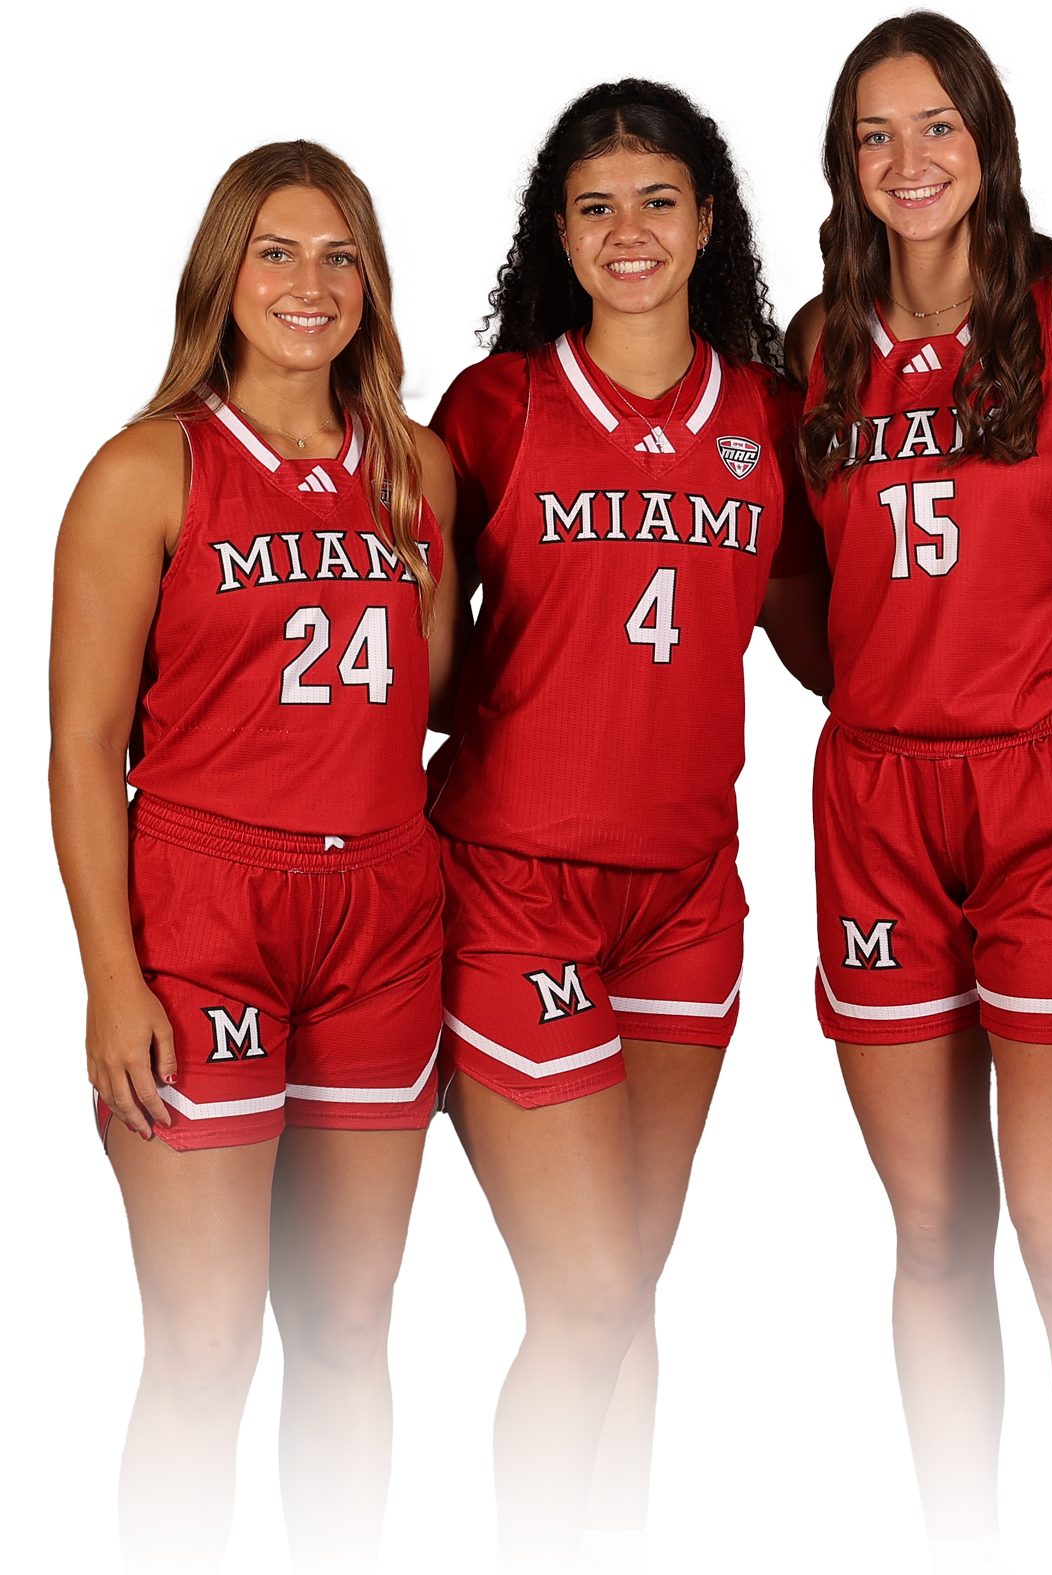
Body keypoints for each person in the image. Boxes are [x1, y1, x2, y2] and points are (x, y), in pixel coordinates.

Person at [428, 78, 831, 1575]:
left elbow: (830, 646)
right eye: (595, 207)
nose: (629, 231)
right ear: (558, 235)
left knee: (630, 1282)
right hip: (518, 881)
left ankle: (617, 1559)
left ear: (709, 219)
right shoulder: (498, 406)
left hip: (686, 893)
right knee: (584, 1289)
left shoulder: (767, 420)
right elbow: (401, 639)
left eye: (657, 200)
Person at [48, 140, 462, 1575]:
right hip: (204, 912)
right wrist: (111, 973)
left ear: (371, 285)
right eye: (277, 253)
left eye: (338, 254)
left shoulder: (416, 474)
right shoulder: (141, 469)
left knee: (348, 1324)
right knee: (209, 1344)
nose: (308, 283)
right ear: (219, 278)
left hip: (379, 917)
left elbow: (428, 698)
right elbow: (82, 748)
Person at [787, 13, 1052, 1575]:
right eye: (875, 136)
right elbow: (803, 590)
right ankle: (963, 1561)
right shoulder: (819, 344)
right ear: (844, 165)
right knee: (935, 1234)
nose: (909, 161)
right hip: (880, 799)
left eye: (935, 125)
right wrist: (895, 692)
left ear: (990, 137)